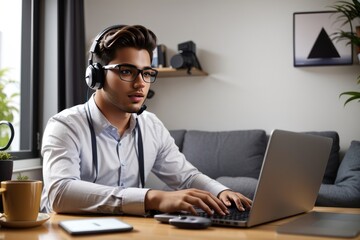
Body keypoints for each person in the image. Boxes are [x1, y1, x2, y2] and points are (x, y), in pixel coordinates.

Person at [41, 24, 252, 216]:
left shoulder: (151, 125)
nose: (140, 83)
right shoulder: (65, 126)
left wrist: (221, 191)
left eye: (147, 73)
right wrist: (151, 197)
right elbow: (60, 193)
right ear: (96, 76)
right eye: (126, 71)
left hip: (129, 230)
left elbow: (186, 176)